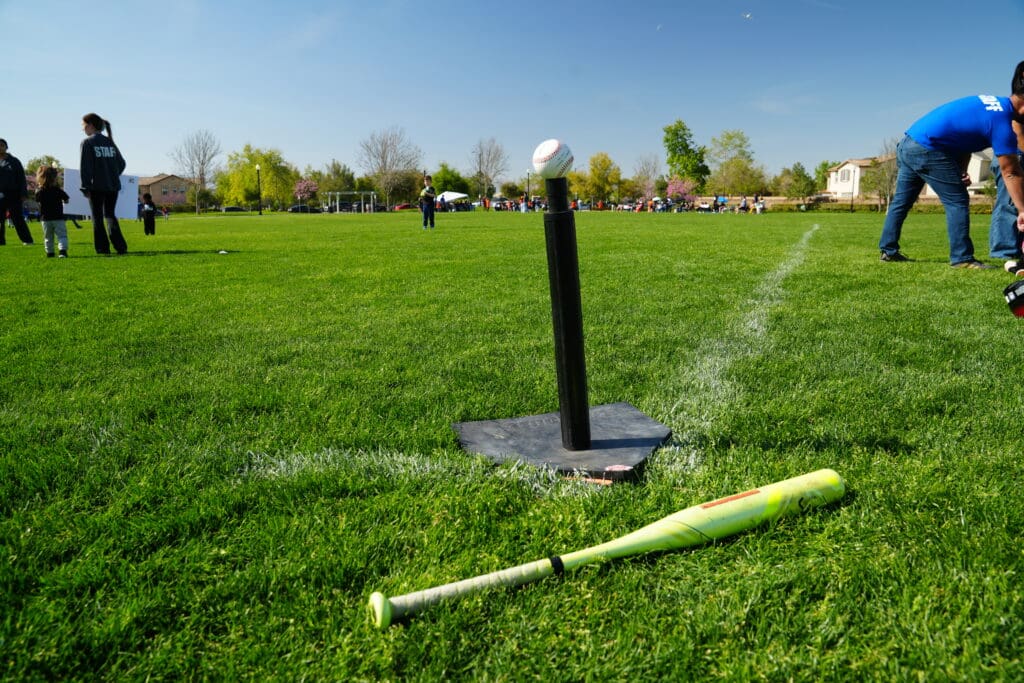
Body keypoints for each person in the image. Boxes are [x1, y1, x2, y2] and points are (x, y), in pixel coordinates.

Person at [879, 62, 1024, 268]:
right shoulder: (1002, 122)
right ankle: (962, 258)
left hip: (909, 143)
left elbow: (964, 141)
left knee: (902, 202)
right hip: (928, 147)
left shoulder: (992, 104)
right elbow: (1010, 172)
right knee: (957, 200)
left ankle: (888, 250)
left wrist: (961, 170)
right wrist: (1022, 209)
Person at [79, 113, 128, 254]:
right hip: (113, 186)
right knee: (110, 215)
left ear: (91, 125)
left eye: (83, 125)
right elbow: (122, 163)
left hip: (96, 187)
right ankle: (120, 246)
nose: (83, 129)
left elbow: (85, 167)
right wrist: (111, 175)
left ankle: (102, 248)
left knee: (97, 217)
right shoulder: (110, 142)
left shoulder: (87, 142)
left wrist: (85, 186)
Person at [989, 119, 1024, 275]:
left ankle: (1015, 250)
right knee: (1009, 203)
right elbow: (1017, 127)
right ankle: (1004, 251)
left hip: (1015, 154)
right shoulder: (1017, 110)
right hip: (1013, 156)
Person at [0, 138, 36, 246]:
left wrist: (23, 194)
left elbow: (21, 178)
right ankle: (1, 242)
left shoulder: (14, 161)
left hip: (14, 194)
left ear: (6, 147)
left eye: (2, 145)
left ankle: (27, 240)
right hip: (0, 195)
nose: (0, 147)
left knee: (17, 218)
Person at [34, 166, 70, 258]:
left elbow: (37, 200)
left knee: (48, 237)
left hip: (45, 219)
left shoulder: (40, 191)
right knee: (62, 236)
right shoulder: (58, 190)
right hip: (58, 217)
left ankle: (50, 252)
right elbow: (66, 200)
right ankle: (62, 252)